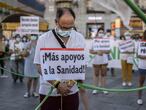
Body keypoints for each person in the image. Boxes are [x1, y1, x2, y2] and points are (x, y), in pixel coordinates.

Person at [34, 7, 88, 110]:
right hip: (48, 92)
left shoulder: (79, 38)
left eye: (70, 27)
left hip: (71, 91)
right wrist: (57, 84)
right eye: (64, 27)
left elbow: (83, 64)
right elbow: (39, 65)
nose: (67, 30)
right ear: (56, 22)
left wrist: (69, 84)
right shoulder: (43, 39)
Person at [90, 28, 110, 94]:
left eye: (102, 32)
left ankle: (104, 88)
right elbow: (90, 51)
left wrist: (103, 51)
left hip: (104, 60)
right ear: (98, 33)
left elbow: (108, 51)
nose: (101, 33)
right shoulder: (94, 40)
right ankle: (95, 88)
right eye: (100, 32)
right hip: (96, 60)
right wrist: (97, 52)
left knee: (104, 74)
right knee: (96, 74)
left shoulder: (106, 41)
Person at [137, 30, 146, 105]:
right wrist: (143, 56)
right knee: (141, 82)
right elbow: (138, 54)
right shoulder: (140, 43)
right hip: (142, 66)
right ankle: (139, 98)